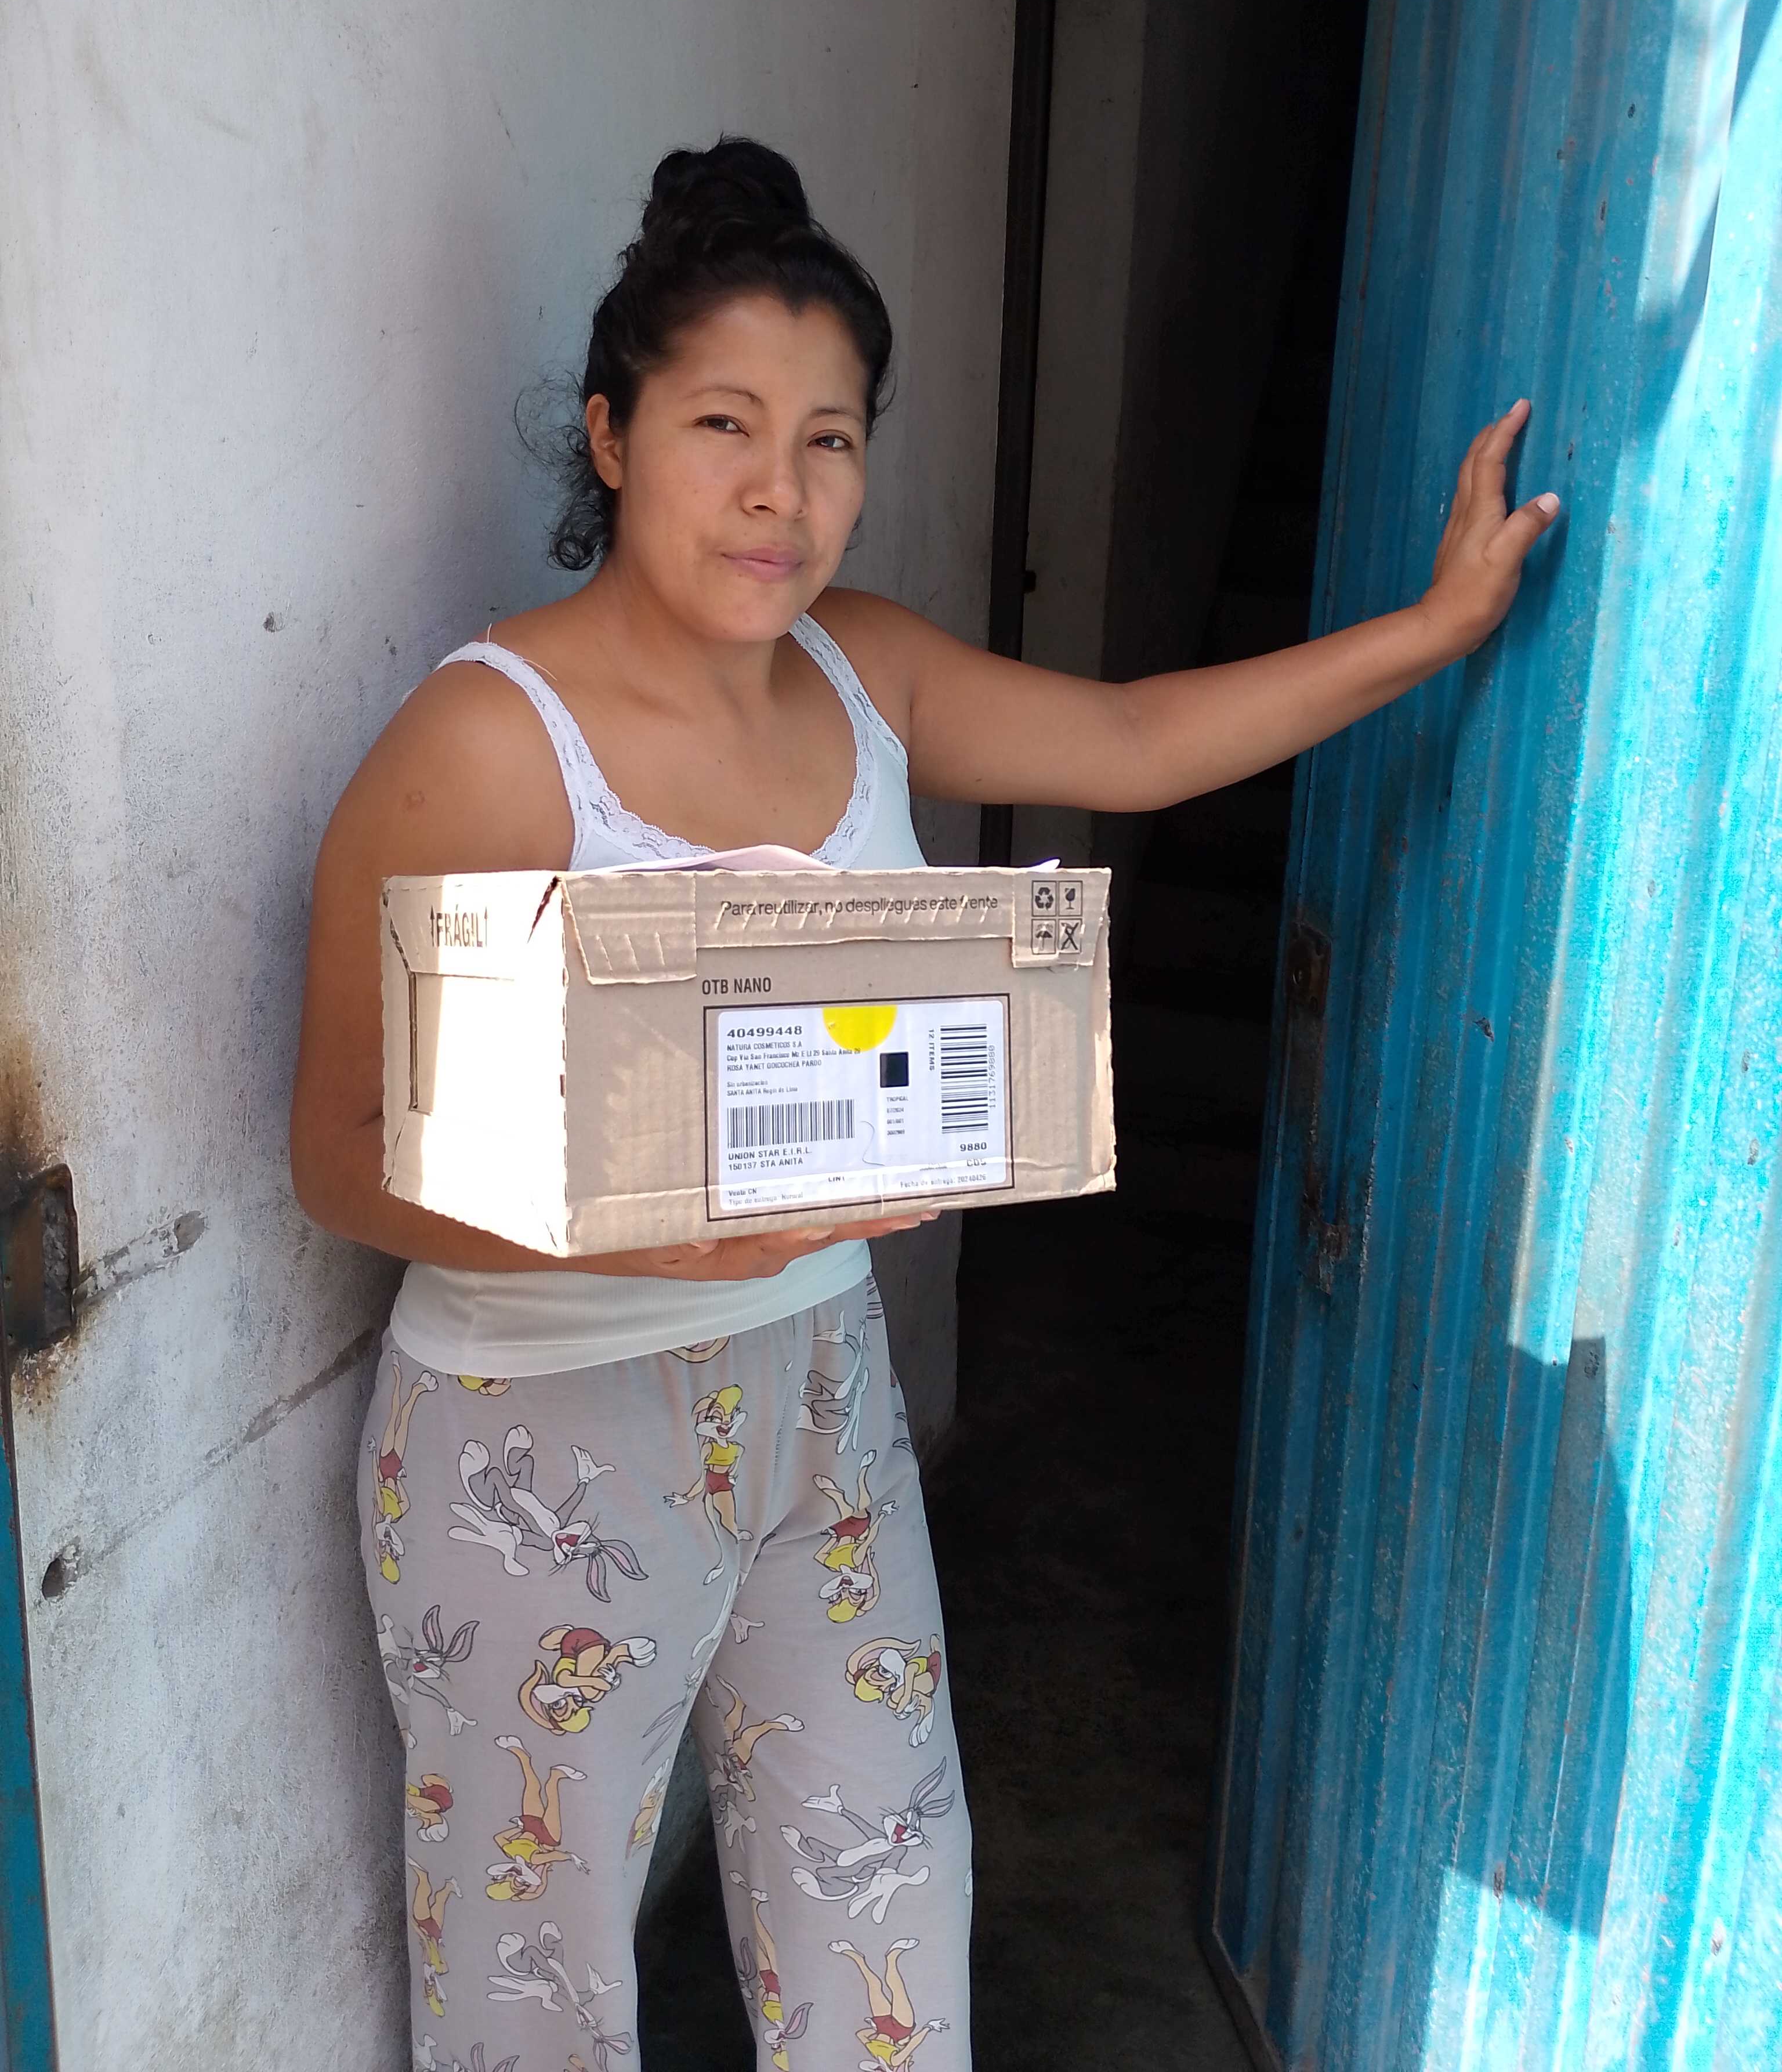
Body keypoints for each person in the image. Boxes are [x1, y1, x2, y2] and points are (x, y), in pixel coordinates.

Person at [289, 135, 1557, 2066]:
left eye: (831, 439)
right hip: (536, 1436)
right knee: (533, 1991)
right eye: (724, 424)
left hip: (822, 1387)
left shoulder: (860, 671)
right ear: (613, 436)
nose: (782, 492)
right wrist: (648, 1235)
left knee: (880, 1914)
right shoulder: (490, 740)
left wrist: (1434, 630)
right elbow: (338, 1154)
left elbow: (1132, 740)